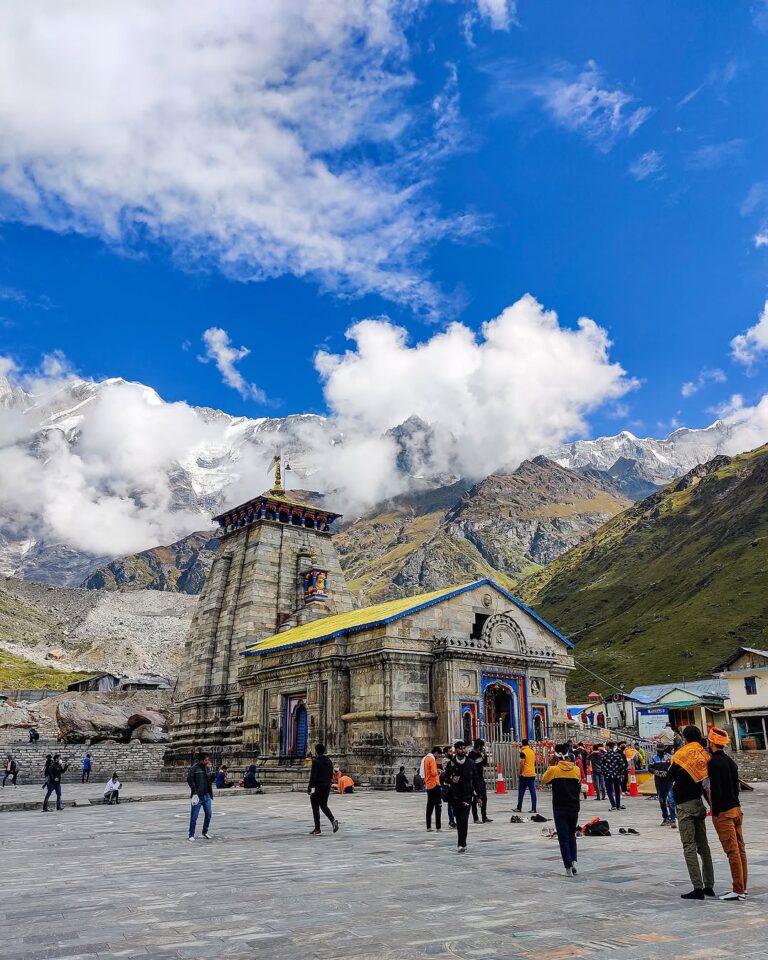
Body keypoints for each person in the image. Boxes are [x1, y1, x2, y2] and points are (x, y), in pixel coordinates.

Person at [668, 725, 715, 900]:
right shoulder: (704, 755)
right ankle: (709, 884)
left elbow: (669, 776)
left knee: (689, 847)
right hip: (698, 802)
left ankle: (697, 887)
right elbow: (705, 783)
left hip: (684, 805)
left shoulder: (681, 755)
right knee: (704, 845)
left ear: (685, 738)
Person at [707, 727, 748, 901]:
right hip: (736, 809)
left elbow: (716, 791)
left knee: (732, 851)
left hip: (724, 812)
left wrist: (714, 811)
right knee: (740, 849)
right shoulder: (730, 762)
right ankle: (742, 887)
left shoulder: (713, 763)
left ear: (711, 743)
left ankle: (738, 889)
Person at [542, 744, 582, 876]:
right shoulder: (576, 770)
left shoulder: (553, 769)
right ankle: (573, 862)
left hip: (560, 807)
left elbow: (544, 780)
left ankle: (568, 868)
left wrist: (553, 764)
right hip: (574, 807)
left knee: (563, 837)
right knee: (571, 835)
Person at [444, 740, 479, 853]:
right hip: (455, 796)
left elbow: (475, 780)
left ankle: (462, 843)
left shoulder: (470, 763)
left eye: (464, 748)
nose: (463, 750)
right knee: (459, 820)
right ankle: (461, 842)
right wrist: (451, 779)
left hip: (467, 796)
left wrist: (478, 796)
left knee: (464, 819)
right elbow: (444, 778)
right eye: (460, 748)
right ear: (456, 750)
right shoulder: (451, 763)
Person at [307, 743, 339, 836]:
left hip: (317, 787)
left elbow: (313, 776)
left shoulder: (316, 761)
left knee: (315, 807)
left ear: (316, 752)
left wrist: (310, 788)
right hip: (327, 786)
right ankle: (333, 820)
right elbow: (330, 774)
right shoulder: (329, 761)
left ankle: (317, 828)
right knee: (324, 805)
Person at [186, 751, 214, 841]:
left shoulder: (207, 769)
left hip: (206, 795)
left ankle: (205, 831)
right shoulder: (194, 769)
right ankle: (191, 834)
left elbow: (209, 780)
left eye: (208, 760)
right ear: (201, 760)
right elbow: (189, 779)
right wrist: (194, 790)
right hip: (197, 796)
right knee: (194, 816)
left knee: (209, 814)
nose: (207, 762)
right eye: (206, 760)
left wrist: (213, 776)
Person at [649, 745, 677, 826]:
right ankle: (665, 817)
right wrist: (656, 772)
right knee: (662, 800)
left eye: (661, 750)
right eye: (658, 750)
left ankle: (673, 818)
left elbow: (674, 767)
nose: (659, 752)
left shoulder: (669, 758)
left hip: (668, 782)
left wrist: (668, 773)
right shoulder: (654, 758)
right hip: (659, 782)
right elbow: (649, 768)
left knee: (671, 800)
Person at [468, 738, 492, 824]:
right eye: (482, 746)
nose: (483, 748)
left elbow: (485, 764)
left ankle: (484, 816)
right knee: (475, 799)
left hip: (481, 779)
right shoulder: (471, 755)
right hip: (474, 781)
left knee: (484, 798)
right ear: (479, 746)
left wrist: (485, 755)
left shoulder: (480, 754)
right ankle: (476, 818)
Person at [600, 742, 627, 811]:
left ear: (608, 747)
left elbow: (601, 766)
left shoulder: (604, 755)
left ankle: (613, 805)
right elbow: (623, 765)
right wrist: (620, 773)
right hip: (616, 775)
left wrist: (604, 773)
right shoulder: (617, 755)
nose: (605, 747)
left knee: (609, 791)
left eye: (606, 746)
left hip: (607, 776)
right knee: (617, 790)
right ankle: (618, 805)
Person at [514, 739, 537, 813]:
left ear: (522, 744)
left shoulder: (523, 752)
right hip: (532, 773)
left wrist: (520, 772)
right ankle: (534, 808)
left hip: (525, 774)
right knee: (533, 792)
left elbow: (522, 764)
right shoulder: (532, 751)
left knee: (521, 791)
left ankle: (519, 807)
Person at [424, 746, 443, 831]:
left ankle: (428, 826)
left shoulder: (426, 759)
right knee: (438, 806)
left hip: (428, 785)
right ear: (436, 752)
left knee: (429, 806)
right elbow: (434, 772)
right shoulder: (432, 759)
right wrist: (439, 771)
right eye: (438, 755)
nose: (437, 757)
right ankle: (438, 827)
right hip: (434, 784)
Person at [441, 745, 456, 828]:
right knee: (450, 804)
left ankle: (454, 819)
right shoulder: (446, 761)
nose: (451, 753)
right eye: (450, 751)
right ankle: (451, 821)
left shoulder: (452, 760)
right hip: (449, 785)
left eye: (452, 751)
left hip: (454, 784)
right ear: (446, 753)